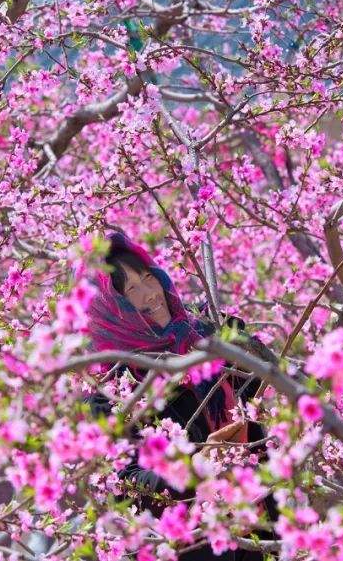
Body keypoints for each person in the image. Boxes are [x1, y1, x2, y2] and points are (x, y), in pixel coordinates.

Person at [82, 231, 279, 560]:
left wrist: (228, 335)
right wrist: (193, 466)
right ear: (112, 310)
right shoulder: (113, 389)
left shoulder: (204, 337)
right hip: (196, 543)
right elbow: (125, 484)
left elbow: (266, 380)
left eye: (148, 278)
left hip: (259, 525)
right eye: (131, 289)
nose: (150, 294)